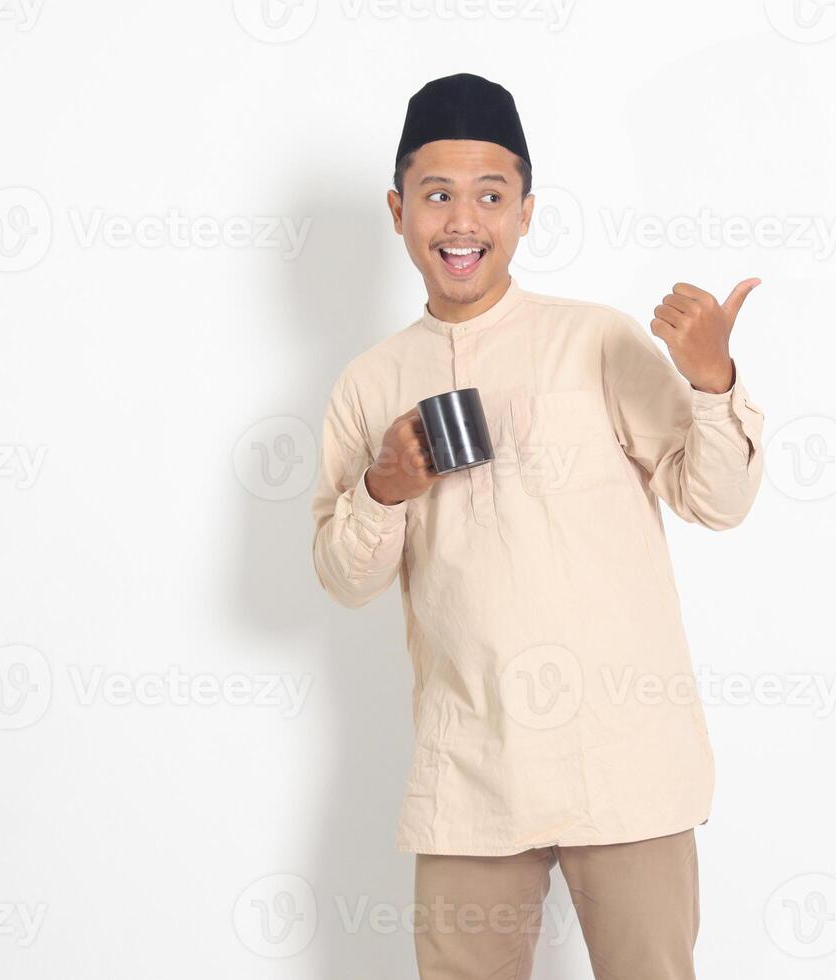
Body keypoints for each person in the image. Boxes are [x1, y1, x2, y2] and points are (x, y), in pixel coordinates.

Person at [310, 72, 766, 980]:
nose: (463, 222)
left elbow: (716, 500)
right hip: (471, 772)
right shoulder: (369, 382)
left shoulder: (594, 340)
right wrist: (387, 485)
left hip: (625, 764)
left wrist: (713, 379)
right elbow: (343, 577)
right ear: (399, 210)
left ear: (526, 211)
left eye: (491, 195)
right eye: (438, 196)